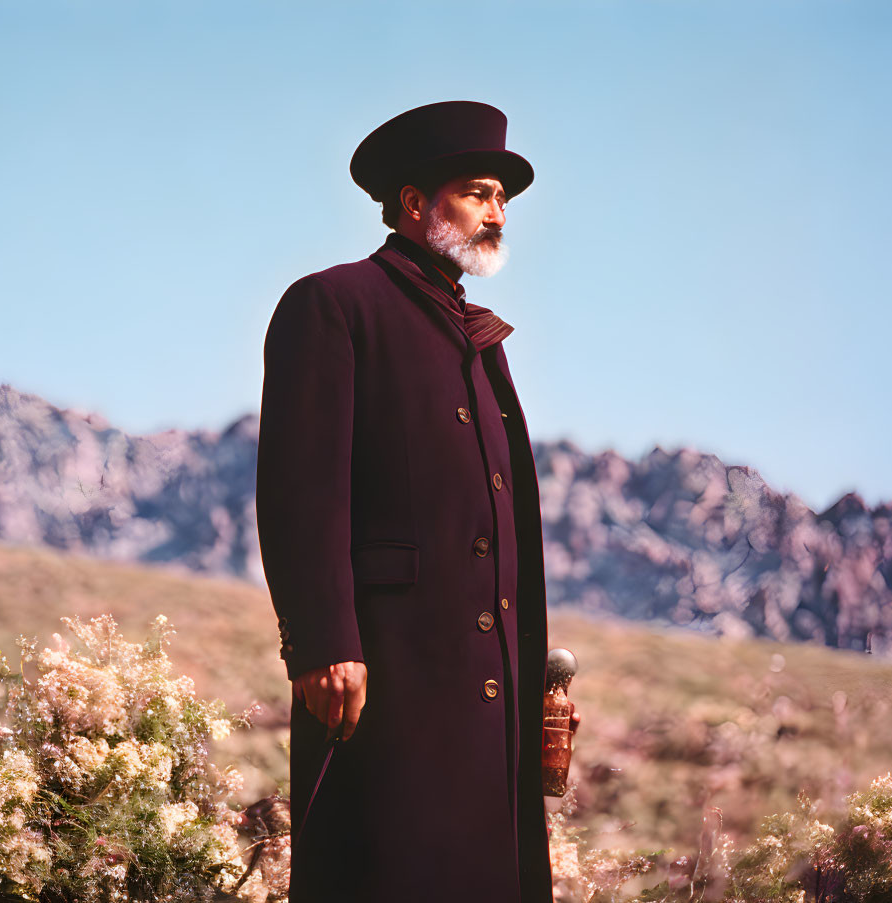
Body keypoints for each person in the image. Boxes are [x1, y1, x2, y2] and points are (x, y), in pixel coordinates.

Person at [255, 100, 578, 903]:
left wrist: (535, 686)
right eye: (477, 192)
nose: (496, 212)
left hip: (488, 698)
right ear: (412, 203)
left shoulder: (477, 341)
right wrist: (323, 643)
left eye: (502, 198)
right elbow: (300, 489)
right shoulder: (334, 305)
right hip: (386, 677)